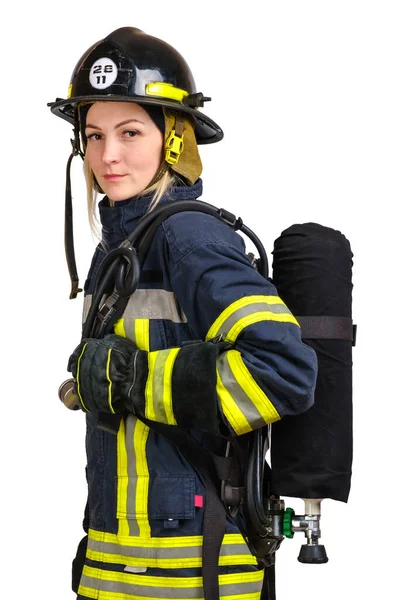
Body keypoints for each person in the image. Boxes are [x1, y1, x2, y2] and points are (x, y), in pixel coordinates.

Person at [49, 26, 318, 600]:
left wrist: (135, 381)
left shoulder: (189, 238)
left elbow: (284, 370)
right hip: (119, 571)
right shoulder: (119, 251)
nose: (107, 155)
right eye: (93, 136)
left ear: (174, 140)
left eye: (129, 132)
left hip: (198, 576)